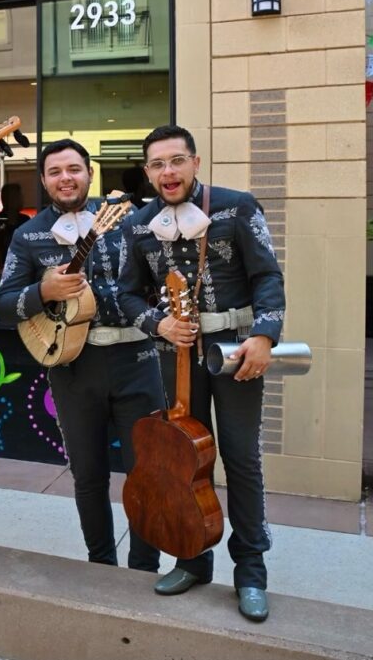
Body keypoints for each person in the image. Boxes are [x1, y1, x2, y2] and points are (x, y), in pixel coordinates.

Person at [117, 124, 285, 623]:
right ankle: (191, 559)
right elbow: (126, 295)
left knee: (241, 459)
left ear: (195, 162)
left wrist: (265, 335)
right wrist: (158, 324)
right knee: (181, 461)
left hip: (235, 353)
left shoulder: (239, 206)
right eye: (157, 164)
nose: (168, 172)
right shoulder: (137, 224)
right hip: (176, 356)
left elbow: (268, 276)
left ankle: (251, 571)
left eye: (176, 160)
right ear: (147, 172)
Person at [0, 139, 165, 572]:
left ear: (89, 173)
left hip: (137, 361)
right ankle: (99, 567)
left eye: (73, 169)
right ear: (43, 180)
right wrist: (43, 291)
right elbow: (3, 305)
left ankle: (143, 571)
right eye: (55, 172)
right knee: (88, 476)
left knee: (147, 474)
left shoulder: (131, 219)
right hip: (72, 366)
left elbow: (165, 278)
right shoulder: (28, 235)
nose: (65, 178)